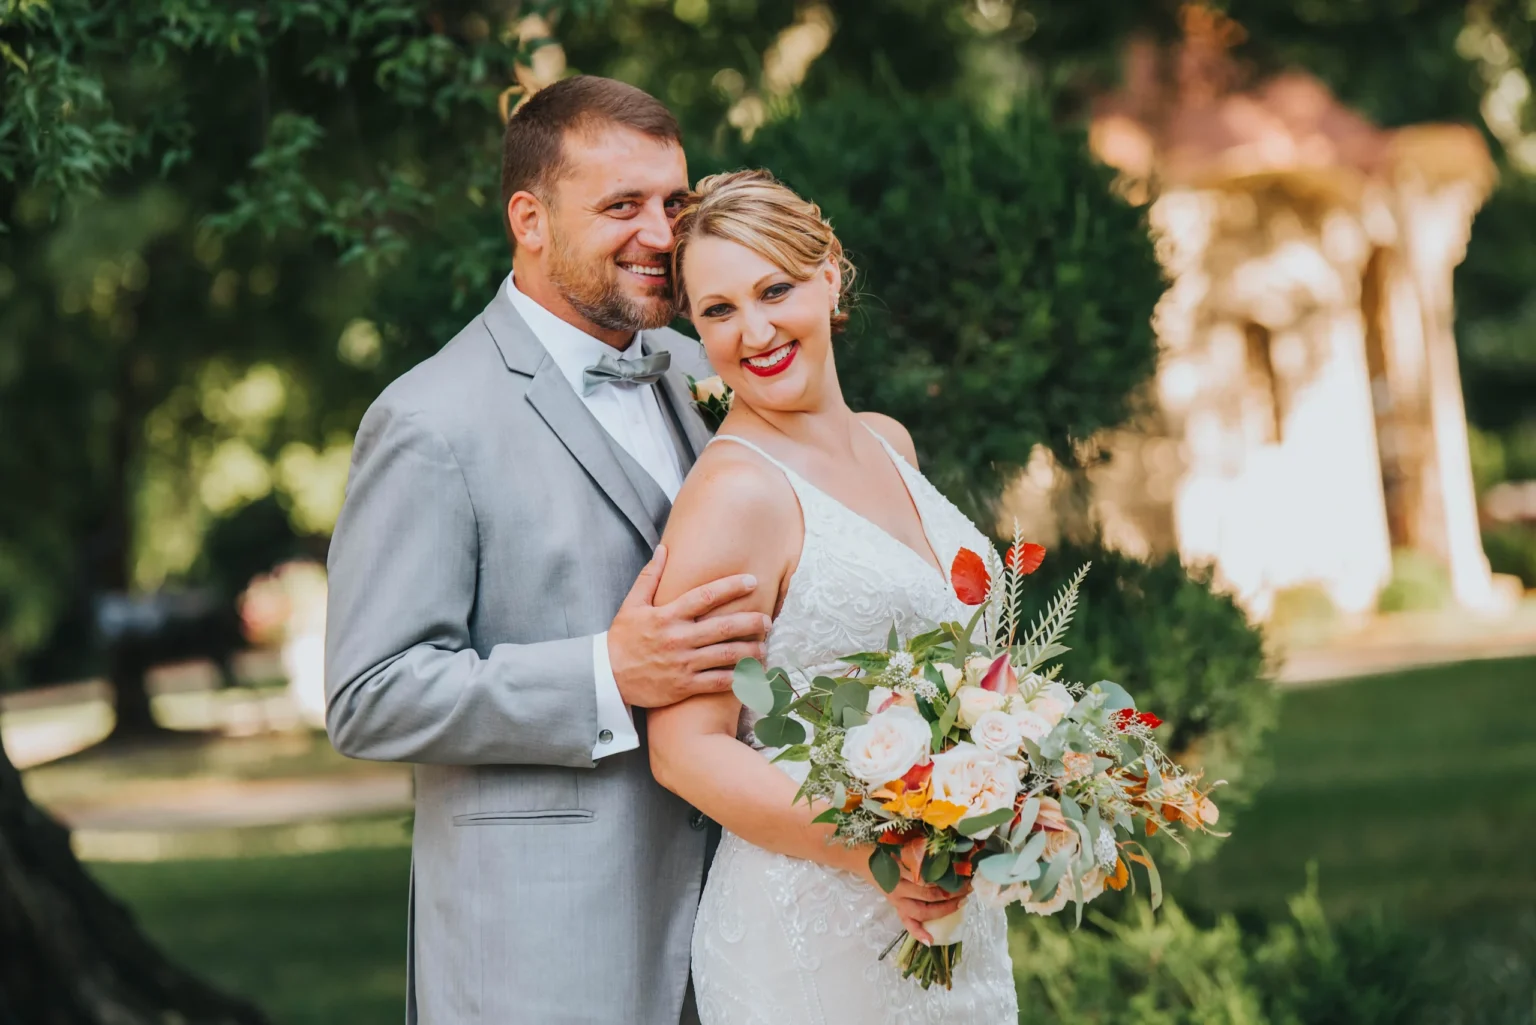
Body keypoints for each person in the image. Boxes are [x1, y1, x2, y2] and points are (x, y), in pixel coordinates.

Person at [323, 77, 771, 1025]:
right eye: (622, 206)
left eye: (673, 202)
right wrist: (610, 673)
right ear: (529, 218)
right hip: (541, 954)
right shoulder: (428, 419)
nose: (662, 234)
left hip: (743, 930)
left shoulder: (704, 368)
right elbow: (370, 696)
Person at [646, 170, 1020, 1023]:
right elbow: (687, 749)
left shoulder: (890, 442)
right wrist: (890, 851)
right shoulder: (735, 491)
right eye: (718, 310)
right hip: (812, 929)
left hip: (949, 912)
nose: (756, 330)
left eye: (775, 288)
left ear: (829, 275)